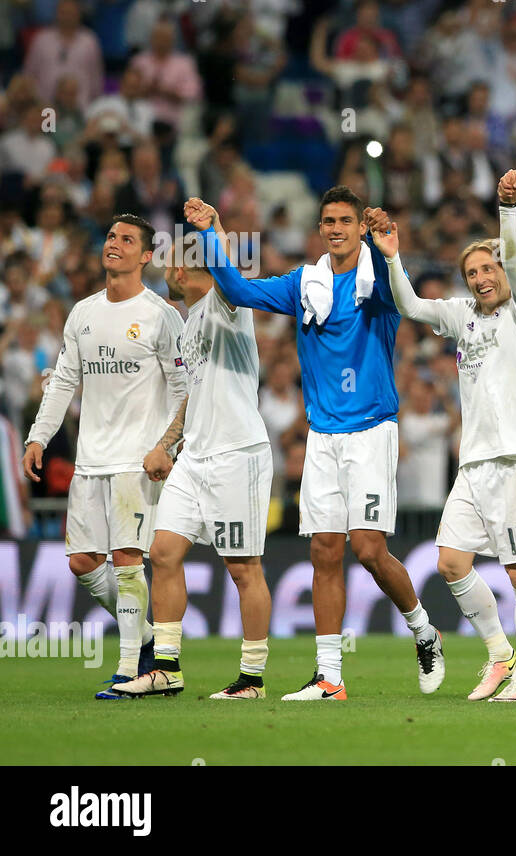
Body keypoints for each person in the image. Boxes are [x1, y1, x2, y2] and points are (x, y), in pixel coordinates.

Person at [185, 188, 443, 700]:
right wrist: (212, 233)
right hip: (323, 435)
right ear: (320, 227)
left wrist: (392, 248)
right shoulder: (306, 283)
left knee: (369, 550)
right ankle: (330, 678)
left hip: (371, 429)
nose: (335, 227)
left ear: (359, 227)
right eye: (328, 220)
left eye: (346, 220)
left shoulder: (379, 284)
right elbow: (237, 290)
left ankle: (424, 631)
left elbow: (409, 301)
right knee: (325, 551)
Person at [365, 171, 516, 703]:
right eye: (472, 271)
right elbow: (411, 307)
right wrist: (392, 255)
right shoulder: (462, 315)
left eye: (489, 267)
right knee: (450, 562)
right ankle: (499, 655)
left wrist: (507, 210)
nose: (481, 278)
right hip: (473, 465)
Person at [22, 214, 186, 698]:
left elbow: (183, 389)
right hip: (90, 459)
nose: (114, 244)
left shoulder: (161, 314)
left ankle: (128, 668)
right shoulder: (83, 313)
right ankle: (152, 640)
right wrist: (38, 436)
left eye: (127, 239)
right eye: (111, 236)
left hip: (137, 461)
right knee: (83, 561)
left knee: (127, 558)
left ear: (146, 256)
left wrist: (166, 446)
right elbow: (64, 381)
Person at [110, 236, 273, 700]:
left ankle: (252, 678)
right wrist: (167, 444)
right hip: (195, 457)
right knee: (162, 553)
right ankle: (166, 668)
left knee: (243, 568)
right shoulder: (189, 323)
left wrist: (213, 228)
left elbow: (228, 274)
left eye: (169, 266)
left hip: (237, 454)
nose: (166, 274)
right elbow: (191, 395)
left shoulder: (228, 303)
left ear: (182, 271)